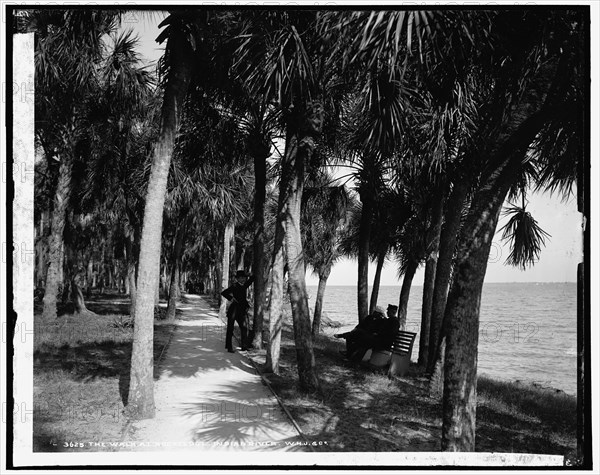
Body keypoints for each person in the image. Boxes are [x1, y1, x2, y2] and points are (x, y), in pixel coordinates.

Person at [335, 304, 399, 362]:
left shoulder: (395, 322)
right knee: (360, 338)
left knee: (363, 340)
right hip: (378, 340)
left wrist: (378, 334)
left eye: (388, 311)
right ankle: (351, 358)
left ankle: (352, 358)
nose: (387, 312)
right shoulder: (388, 320)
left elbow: (391, 334)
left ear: (393, 312)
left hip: (384, 343)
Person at [221, 270, 254, 353]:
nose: (243, 279)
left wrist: (250, 275)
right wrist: (231, 298)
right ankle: (229, 347)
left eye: (244, 278)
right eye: (241, 278)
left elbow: (251, 280)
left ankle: (244, 346)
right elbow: (224, 293)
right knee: (230, 329)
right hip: (233, 310)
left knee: (244, 327)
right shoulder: (234, 286)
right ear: (237, 279)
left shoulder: (244, 286)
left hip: (242, 311)